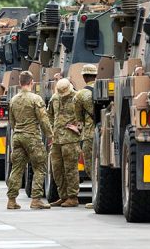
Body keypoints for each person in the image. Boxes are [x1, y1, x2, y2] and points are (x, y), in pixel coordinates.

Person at [6, 70, 53, 210]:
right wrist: (50, 135)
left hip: (18, 137)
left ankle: (11, 200)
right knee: (40, 166)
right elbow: (43, 120)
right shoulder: (35, 99)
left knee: (17, 168)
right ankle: (36, 199)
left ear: (20, 83)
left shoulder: (13, 100)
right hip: (32, 137)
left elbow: (12, 122)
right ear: (31, 82)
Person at [48, 77, 89, 207]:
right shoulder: (54, 98)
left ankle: (72, 197)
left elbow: (88, 116)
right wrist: (51, 130)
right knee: (57, 169)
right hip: (56, 140)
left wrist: (79, 127)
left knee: (70, 169)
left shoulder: (78, 97)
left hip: (71, 140)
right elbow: (49, 115)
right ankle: (63, 196)